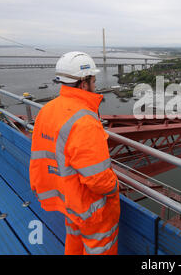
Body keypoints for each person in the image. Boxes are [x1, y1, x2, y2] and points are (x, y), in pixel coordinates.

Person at [29, 51, 120, 255]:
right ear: (83, 83)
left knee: (75, 241)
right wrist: (114, 186)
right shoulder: (85, 122)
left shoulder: (47, 110)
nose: (95, 86)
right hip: (91, 207)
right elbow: (97, 179)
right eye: (94, 80)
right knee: (100, 247)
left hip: (67, 198)